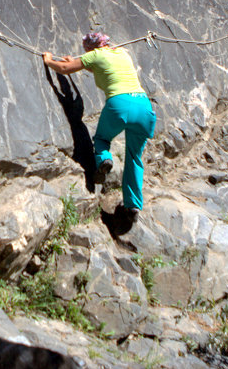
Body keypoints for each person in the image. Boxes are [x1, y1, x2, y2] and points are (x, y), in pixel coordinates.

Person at [42, 31, 156, 224]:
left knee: (102, 139)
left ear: (91, 48)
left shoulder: (94, 55)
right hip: (144, 107)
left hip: (120, 104)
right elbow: (103, 68)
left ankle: (104, 159)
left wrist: (49, 61)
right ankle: (133, 205)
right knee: (135, 158)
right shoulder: (122, 53)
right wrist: (77, 61)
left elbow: (64, 68)